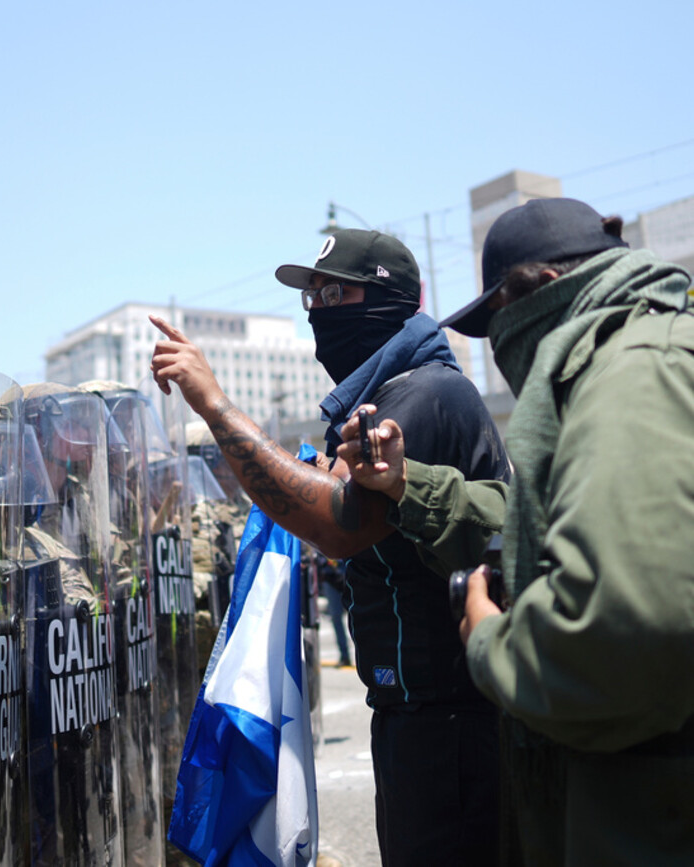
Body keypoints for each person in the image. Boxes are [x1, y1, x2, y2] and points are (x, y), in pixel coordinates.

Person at [342, 197, 694, 864]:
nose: (500, 344)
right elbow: (532, 519)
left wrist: (493, 641)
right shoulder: (626, 363)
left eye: (501, 317)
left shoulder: (632, 374)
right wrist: (406, 482)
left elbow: (630, 634)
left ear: (546, 288)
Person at [150, 228, 510, 867]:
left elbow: (340, 524)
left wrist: (215, 405)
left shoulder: (424, 392)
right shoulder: (382, 395)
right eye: (310, 297)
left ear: (386, 301)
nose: (317, 311)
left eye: (334, 294)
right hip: (418, 712)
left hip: (453, 719)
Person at [314, 552, 351, 668]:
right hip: (331, 578)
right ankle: (344, 655)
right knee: (336, 617)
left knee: (359, 615)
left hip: (349, 573)